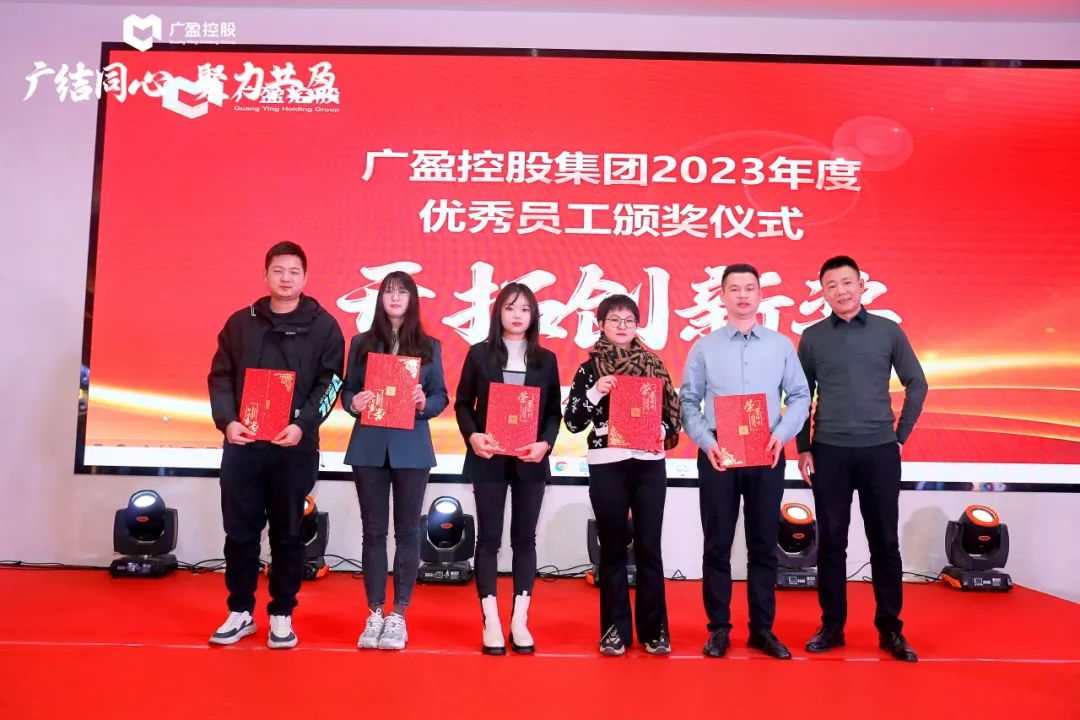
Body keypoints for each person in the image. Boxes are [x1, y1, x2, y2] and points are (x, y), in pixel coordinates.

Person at [207, 241, 345, 649]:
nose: (286, 279)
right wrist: (227, 421)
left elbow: (330, 384)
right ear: (265, 274)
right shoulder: (240, 323)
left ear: (306, 277)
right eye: (278, 271)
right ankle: (240, 611)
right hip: (244, 445)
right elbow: (220, 376)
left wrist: (303, 425)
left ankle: (282, 613)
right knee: (240, 532)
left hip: (294, 447)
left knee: (288, 534)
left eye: (294, 272)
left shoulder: (325, 327)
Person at [796, 255, 927, 662]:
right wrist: (803, 446)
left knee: (884, 542)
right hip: (829, 451)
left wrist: (899, 436)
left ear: (861, 285)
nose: (841, 291)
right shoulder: (813, 337)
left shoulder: (888, 331)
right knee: (831, 543)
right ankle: (832, 626)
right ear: (823, 292)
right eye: (831, 285)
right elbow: (800, 394)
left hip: (879, 451)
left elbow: (917, 383)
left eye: (847, 282)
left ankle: (890, 630)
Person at [680, 263, 810, 660]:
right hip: (719, 453)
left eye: (749, 288)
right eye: (734, 288)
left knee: (763, 545)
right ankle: (719, 628)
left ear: (760, 295)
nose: (742, 295)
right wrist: (707, 442)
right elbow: (689, 401)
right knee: (717, 544)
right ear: (721, 296)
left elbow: (800, 396)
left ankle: (762, 629)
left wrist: (781, 435)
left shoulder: (780, 345)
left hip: (767, 452)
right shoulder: (705, 347)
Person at [564, 294, 681, 656]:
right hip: (607, 463)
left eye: (628, 320)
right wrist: (595, 392)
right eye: (614, 320)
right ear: (601, 325)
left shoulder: (654, 364)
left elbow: (672, 415)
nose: (622, 326)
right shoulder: (589, 369)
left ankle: (654, 631)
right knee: (613, 549)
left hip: (649, 463)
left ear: (636, 326)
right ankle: (614, 630)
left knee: (649, 548)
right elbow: (573, 422)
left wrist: (661, 429)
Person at [341, 271, 448, 651]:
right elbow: (347, 391)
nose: (395, 297)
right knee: (373, 531)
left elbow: (441, 397)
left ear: (412, 298)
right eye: (388, 292)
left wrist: (423, 404)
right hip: (369, 446)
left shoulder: (430, 346)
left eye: (402, 291)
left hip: (411, 447)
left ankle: (399, 614)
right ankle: (374, 612)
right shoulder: (361, 343)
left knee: (407, 532)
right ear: (380, 299)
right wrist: (353, 403)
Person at [454, 283, 562, 655]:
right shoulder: (479, 354)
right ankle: (491, 620)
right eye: (511, 308)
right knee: (489, 539)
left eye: (525, 309)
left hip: (531, 460)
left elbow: (553, 413)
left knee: (525, 540)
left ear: (534, 316)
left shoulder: (546, 359)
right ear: (498, 312)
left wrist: (545, 443)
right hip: (489, 458)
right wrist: (473, 436)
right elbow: (463, 404)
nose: (517, 315)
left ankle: (520, 620)